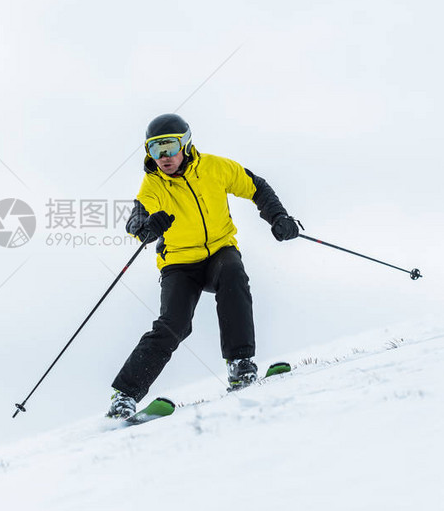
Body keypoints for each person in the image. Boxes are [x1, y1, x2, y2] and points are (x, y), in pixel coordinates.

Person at [106, 113, 299, 419]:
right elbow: (136, 222)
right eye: (154, 150)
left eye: (168, 147)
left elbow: (256, 187)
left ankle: (240, 365)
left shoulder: (215, 168)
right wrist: (148, 226)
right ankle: (124, 396)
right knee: (174, 323)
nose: (163, 157)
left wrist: (278, 217)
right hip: (180, 264)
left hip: (219, 251)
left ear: (186, 143)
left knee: (233, 275)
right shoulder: (153, 186)